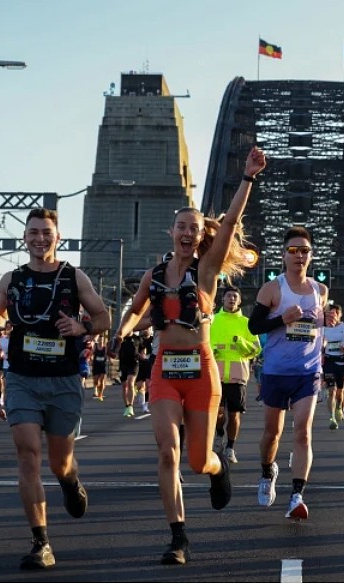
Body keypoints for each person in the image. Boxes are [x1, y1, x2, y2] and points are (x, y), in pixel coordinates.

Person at [113, 146, 266, 564]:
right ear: (171, 232)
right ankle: (178, 536)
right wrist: (122, 333)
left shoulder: (206, 272)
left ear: (201, 237)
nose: (186, 233)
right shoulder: (155, 274)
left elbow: (232, 221)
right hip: (164, 369)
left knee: (198, 461)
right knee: (168, 452)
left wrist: (248, 178)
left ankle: (220, 468)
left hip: (201, 370)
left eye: (194, 229)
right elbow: (137, 310)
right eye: (181, 226)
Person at [0, 207, 110, 570]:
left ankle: (70, 481)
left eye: (46, 232)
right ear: (25, 238)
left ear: (58, 238)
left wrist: (81, 327)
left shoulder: (74, 277)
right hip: (22, 377)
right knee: (27, 454)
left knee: (60, 462)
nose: (39, 238)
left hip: (63, 379)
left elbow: (103, 317)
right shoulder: (13, 279)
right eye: (33, 232)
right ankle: (41, 542)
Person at [248, 225, 328, 521]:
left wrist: (327, 320)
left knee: (303, 432)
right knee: (273, 433)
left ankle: (296, 495)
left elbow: (318, 328)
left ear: (311, 255)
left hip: (308, 372)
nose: (299, 256)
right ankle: (268, 471)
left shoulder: (321, 291)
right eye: (293, 250)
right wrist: (282, 318)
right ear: (283, 255)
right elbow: (254, 327)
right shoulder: (272, 289)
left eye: (304, 251)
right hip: (276, 372)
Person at [210, 285, 261, 464]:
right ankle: (219, 435)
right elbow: (202, 344)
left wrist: (240, 343)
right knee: (218, 412)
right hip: (215, 375)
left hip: (238, 376)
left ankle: (230, 447)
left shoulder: (247, 323)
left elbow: (256, 349)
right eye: (229, 296)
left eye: (235, 297)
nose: (231, 299)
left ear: (239, 301)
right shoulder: (213, 321)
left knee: (234, 415)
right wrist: (211, 350)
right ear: (222, 299)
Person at [322, 304, 344, 428]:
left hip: (342, 362)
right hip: (329, 361)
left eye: (333, 314)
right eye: (329, 314)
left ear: (339, 315)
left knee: (340, 392)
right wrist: (323, 345)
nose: (331, 317)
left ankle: (339, 407)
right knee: (331, 391)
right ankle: (332, 418)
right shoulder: (323, 328)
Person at [117, 332, 139, 417]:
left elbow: (143, 349)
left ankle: (131, 406)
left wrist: (141, 354)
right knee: (124, 386)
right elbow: (114, 351)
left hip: (133, 364)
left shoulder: (137, 339)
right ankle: (126, 406)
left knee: (130, 382)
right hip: (123, 365)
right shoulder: (120, 339)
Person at [90, 334, 108, 400]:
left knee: (102, 380)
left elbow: (107, 355)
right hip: (96, 364)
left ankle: (100, 394)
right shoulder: (95, 346)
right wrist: (91, 360)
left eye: (102, 340)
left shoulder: (105, 347)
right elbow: (91, 354)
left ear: (104, 340)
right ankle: (95, 391)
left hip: (102, 365)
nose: (101, 341)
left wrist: (110, 360)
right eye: (100, 340)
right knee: (96, 380)